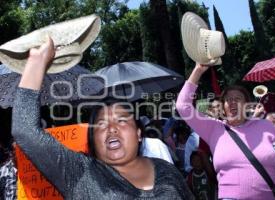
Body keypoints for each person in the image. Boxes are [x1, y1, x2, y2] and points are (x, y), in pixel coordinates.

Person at [12, 37, 194, 199]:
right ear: (92, 138)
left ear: (139, 133)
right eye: (101, 124)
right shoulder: (79, 172)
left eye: (122, 120)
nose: (111, 128)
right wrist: (37, 61)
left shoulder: (167, 171)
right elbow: (25, 131)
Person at [176, 63, 275, 199]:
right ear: (223, 108)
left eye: (237, 99)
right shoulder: (213, 129)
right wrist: (198, 70)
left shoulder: (267, 127)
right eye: (228, 100)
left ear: (247, 105)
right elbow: (183, 106)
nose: (233, 102)